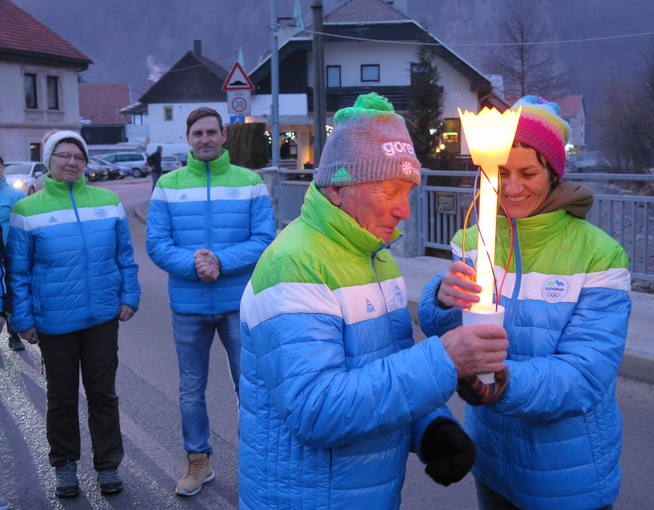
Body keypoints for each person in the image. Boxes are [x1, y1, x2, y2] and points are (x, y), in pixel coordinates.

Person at [238, 93, 509, 510]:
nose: (404, 209)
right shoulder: (295, 265)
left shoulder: (378, 260)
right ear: (337, 187)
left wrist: (431, 428)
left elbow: (384, 369)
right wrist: (444, 360)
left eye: (408, 191)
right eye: (389, 189)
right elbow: (317, 409)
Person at [418, 96, 632, 510]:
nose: (512, 188)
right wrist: (441, 301)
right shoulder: (473, 239)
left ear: (553, 173)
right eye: (502, 172)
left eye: (528, 173)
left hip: (566, 475)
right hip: (492, 461)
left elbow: (586, 375)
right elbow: (453, 335)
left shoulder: (599, 255)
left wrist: (503, 385)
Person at [146, 106, 276, 497]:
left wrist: (221, 261)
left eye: (211, 132)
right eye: (197, 133)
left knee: (250, 386)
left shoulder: (250, 182)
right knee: (190, 388)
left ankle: (258, 462)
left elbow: (264, 238)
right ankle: (198, 462)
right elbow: (156, 243)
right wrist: (193, 264)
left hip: (240, 304)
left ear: (223, 136)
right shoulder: (167, 185)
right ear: (188, 139)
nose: (205, 139)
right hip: (188, 306)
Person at [8, 130, 141, 498]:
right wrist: (24, 320)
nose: (71, 162)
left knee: (103, 394)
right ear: (49, 160)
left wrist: (130, 295)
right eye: (62, 155)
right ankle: (65, 465)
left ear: (86, 162)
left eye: (78, 157)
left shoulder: (107, 201)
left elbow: (124, 258)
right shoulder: (26, 210)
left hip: (101, 317)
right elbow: (18, 272)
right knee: (62, 396)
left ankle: (108, 465)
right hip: (53, 321)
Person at [0, 155, 26, 351]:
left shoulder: (14, 195)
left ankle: (13, 334)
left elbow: (27, 223)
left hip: (10, 254)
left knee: (11, 293)